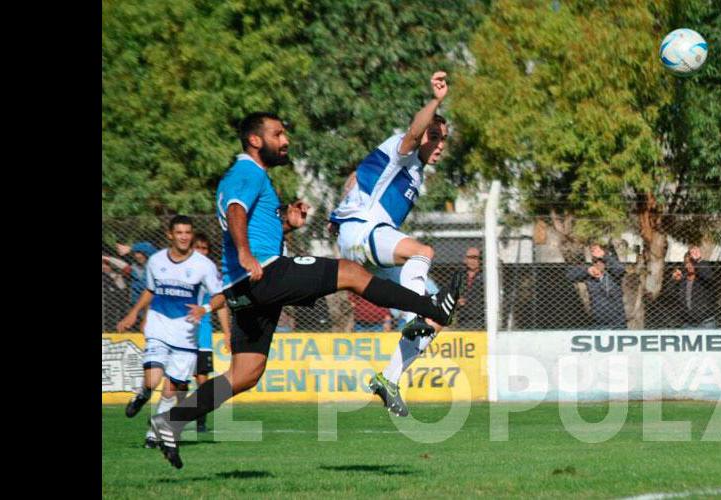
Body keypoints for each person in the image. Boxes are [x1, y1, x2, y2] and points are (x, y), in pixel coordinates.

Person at [148, 112, 462, 469]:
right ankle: (430, 309)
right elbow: (235, 211)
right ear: (255, 140)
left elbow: (248, 221)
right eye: (278, 134)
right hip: (265, 273)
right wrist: (245, 253)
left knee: (245, 373)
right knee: (351, 272)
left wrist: (286, 225)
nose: (286, 141)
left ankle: (171, 421)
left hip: (244, 287)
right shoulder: (247, 172)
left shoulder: (253, 176)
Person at [327, 71, 462, 417]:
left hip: (367, 243)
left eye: (444, 138)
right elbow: (414, 132)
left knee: (436, 320)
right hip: (362, 232)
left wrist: (341, 205)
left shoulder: (414, 174)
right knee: (424, 252)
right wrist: (436, 100)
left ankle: (388, 379)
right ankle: (417, 309)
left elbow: (356, 181)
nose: (440, 143)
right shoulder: (402, 151)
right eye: (436, 135)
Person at [116, 215, 226, 449]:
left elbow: (220, 296)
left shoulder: (203, 265)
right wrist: (135, 312)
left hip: (186, 334)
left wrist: (204, 308)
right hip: (159, 325)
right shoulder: (156, 261)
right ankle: (143, 393)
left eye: (188, 232)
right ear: (170, 235)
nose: (184, 237)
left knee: (171, 390)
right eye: (179, 232)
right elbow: (150, 290)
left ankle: (153, 434)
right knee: (153, 379)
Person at [190, 232, 233, 433]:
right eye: (197, 247)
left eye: (205, 249)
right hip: (181, 333)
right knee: (177, 380)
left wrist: (226, 332)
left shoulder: (212, 274)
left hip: (203, 334)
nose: (201, 252)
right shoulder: (182, 269)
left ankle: (200, 421)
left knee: (202, 379)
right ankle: (171, 418)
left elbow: (221, 304)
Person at [567, 244, 626, 329]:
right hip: (598, 322)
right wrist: (587, 271)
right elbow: (569, 275)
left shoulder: (613, 275)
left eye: (601, 261)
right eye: (595, 261)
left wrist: (604, 256)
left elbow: (620, 270)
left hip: (617, 322)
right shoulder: (590, 276)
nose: (598, 264)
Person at [668, 247, 717, 329]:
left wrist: (699, 260)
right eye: (687, 262)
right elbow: (670, 294)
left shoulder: (702, 278)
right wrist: (674, 280)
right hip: (688, 323)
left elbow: (708, 276)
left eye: (693, 262)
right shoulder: (682, 280)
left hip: (706, 322)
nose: (690, 265)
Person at [455, 246, 486, 330]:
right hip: (462, 318)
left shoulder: (485, 276)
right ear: (465, 259)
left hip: (480, 320)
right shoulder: (460, 276)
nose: (472, 261)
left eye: (475, 258)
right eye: (469, 258)